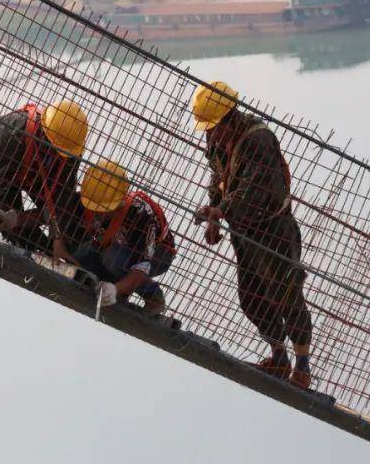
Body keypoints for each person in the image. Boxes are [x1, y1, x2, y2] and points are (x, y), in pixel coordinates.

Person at [191, 81, 314, 390]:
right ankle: (278, 356)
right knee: (251, 298)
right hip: (243, 231)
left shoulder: (258, 141)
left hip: (274, 229)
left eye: (214, 127)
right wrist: (215, 215)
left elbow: (252, 192)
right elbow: (219, 179)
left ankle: (302, 365)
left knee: (287, 296)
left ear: (230, 118)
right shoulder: (218, 141)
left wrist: (219, 212)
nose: (210, 135)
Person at [0, 99, 89, 254]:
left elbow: (63, 196)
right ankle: (34, 253)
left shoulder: (70, 148)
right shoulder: (7, 135)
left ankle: (59, 255)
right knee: (11, 227)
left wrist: (58, 237)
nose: (58, 152)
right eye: (55, 148)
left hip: (39, 171)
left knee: (70, 226)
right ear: (43, 132)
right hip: (5, 168)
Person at [62, 160, 175, 317]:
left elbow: (142, 268)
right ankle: (117, 284)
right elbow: (51, 214)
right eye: (93, 207)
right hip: (115, 246)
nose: (97, 214)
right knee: (81, 256)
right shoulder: (85, 199)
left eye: (103, 209)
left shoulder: (141, 215)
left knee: (113, 259)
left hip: (159, 254)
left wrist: (115, 290)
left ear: (120, 203)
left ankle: (153, 295)